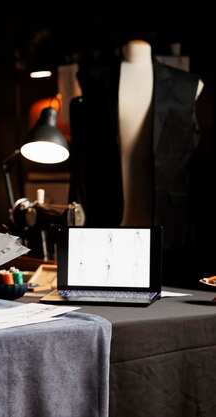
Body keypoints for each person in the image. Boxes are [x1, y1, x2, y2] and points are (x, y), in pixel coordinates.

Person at [69, 38, 203, 288]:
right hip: (107, 223)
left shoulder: (186, 85)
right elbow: (83, 163)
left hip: (169, 225)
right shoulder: (94, 80)